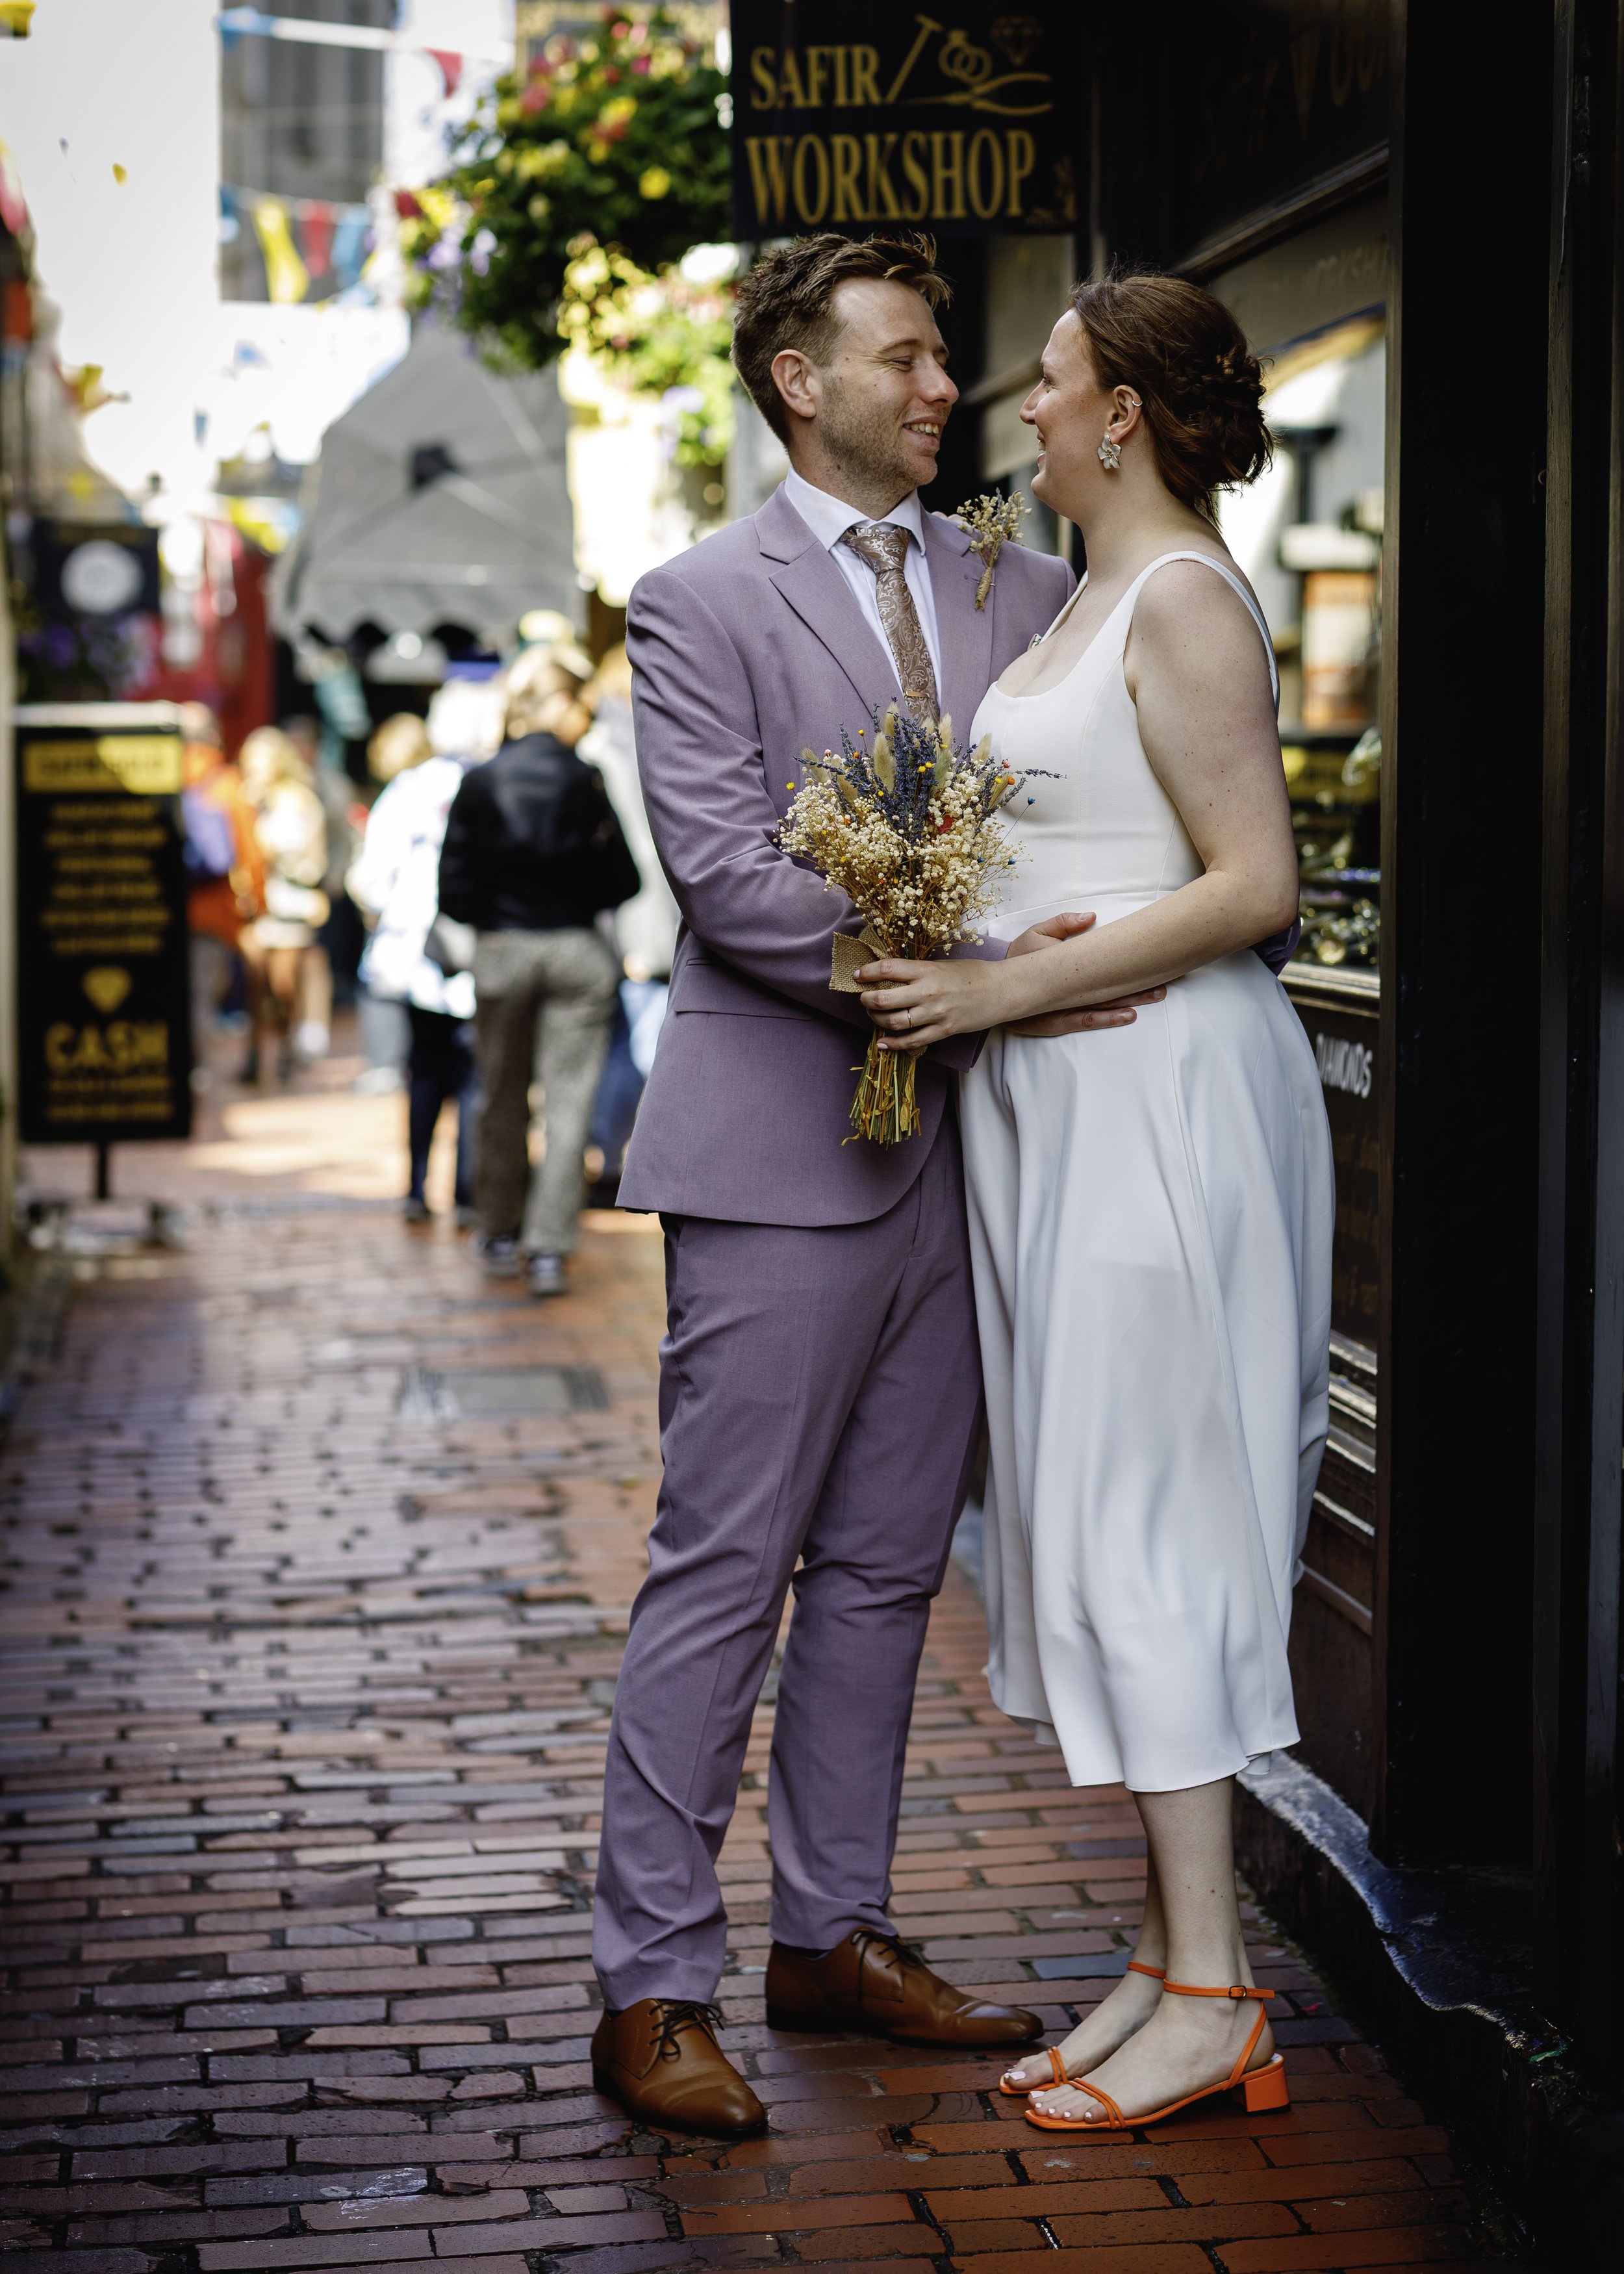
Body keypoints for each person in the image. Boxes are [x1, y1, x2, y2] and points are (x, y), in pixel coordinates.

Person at [589, 232, 1161, 2138]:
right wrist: (931, 962)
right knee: (721, 1567)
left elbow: (1080, 806)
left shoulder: (1013, 578)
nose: (940, 389)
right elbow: (726, 871)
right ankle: (650, 1974)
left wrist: (1044, 959)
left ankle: (829, 1929)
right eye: (904, 359)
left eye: (941, 361)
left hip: (969, 1151)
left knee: (887, 1576)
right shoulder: (694, 596)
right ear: (794, 380)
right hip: (775, 1153)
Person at [855, 275, 1334, 2133]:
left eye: (1046, 382)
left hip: (1157, 1103)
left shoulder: (1188, 599)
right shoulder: (1075, 605)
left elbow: (1252, 885)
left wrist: (994, 989)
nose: (1015, 405)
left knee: (1158, 1516)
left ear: (1121, 413)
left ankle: (1216, 1992)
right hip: (1060, 1104)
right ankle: (1164, 1952)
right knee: (1096, 1500)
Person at [437, 645, 640, 1298]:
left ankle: (497, 1228)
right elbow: (624, 878)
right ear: (556, 703)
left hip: (502, 948)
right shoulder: (586, 779)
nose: (587, 718)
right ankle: (549, 1245)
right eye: (581, 704)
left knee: (500, 1093)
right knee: (568, 1102)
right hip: (575, 948)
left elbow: (453, 889)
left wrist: (494, 914)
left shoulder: (480, 779)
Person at [348, 711, 478, 1223]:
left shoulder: (403, 794)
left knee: (425, 1072)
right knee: (472, 1076)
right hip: (473, 948)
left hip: (421, 956)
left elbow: (371, 880)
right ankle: (467, 1194)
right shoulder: (474, 779)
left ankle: (417, 1188)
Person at [239, 726, 329, 1085]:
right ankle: (254, 1054)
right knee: (253, 981)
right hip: (254, 907)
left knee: (283, 986)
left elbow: (309, 856)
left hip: (290, 903)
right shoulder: (244, 799)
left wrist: (272, 852)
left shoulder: (299, 801)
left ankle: (287, 1048)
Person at [179, 703, 264, 1084]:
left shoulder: (166, 778)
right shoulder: (225, 784)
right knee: (201, 997)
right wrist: (256, 907)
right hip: (213, 913)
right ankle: (194, 1073)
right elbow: (250, 852)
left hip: (158, 909)